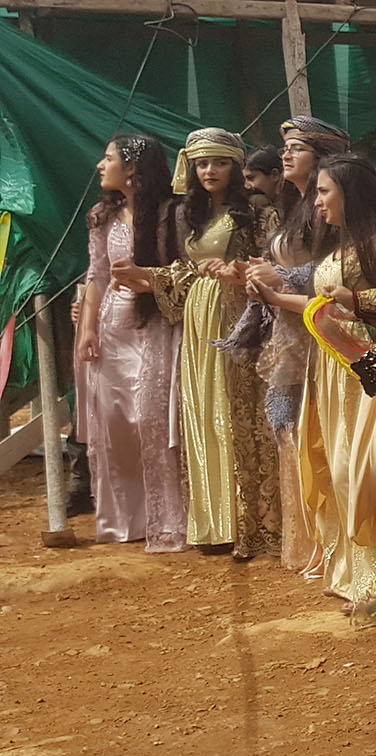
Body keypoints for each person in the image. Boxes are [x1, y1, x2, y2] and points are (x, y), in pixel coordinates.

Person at [144, 128, 277, 558]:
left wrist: (240, 274)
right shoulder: (192, 214)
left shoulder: (256, 211)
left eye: (218, 162)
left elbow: (273, 267)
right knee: (202, 415)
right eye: (201, 163)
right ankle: (213, 524)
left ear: (236, 167)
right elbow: (190, 272)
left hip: (238, 316)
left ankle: (249, 523)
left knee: (233, 413)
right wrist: (151, 279)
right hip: (199, 320)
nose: (208, 171)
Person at [293, 153, 376, 622]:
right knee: (337, 470)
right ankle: (352, 573)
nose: (318, 203)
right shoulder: (336, 250)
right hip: (331, 378)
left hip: (371, 376)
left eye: (324, 192)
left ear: (351, 193)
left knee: (365, 475)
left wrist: (357, 300)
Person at [245, 117, 348, 577]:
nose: (285, 156)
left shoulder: (329, 210)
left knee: (318, 435)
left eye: (297, 147)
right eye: (285, 147)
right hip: (290, 328)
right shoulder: (294, 206)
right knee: (289, 429)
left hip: (319, 330)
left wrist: (278, 280)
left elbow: (333, 272)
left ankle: (337, 549)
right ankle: (313, 543)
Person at [77, 133, 186, 551]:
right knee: (115, 424)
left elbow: (180, 270)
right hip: (111, 328)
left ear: (134, 168)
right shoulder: (102, 216)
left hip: (154, 324)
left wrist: (149, 285)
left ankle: (167, 518)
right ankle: (125, 521)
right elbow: (96, 276)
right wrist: (87, 330)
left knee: (150, 420)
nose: (101, 166)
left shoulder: (169, 214)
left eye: (108, 159)